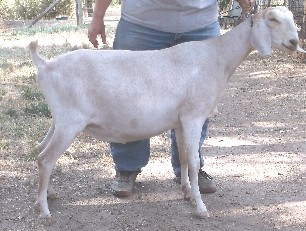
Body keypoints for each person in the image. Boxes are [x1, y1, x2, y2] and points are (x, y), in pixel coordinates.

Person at [88, 0, 254, 197]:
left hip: (199, 24)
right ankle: (127, 167)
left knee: (200, 100)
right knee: (129, 97)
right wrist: (98, 16)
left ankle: (192, 167)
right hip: (141, 24)